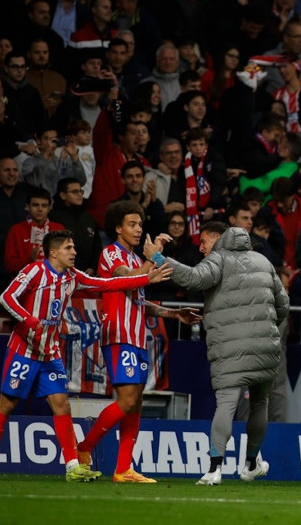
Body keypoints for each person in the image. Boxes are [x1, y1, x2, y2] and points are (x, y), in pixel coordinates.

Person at [0, 229, 170, 481]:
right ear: (53, 252)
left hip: (50, 352)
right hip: (24, 349)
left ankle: (73, 467)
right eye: (69, 248)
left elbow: (107, 283)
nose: (74, 252)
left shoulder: (72, 277)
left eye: (74, 247)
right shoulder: (35, 271)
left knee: (62, 405)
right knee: (7, 404)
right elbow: (7, 298)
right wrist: (28, 319)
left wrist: (146, 279)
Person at [149, 222, 289, 486]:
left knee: (226, 404)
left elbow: (192, 278)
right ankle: (250, 465)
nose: (200, 248)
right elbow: (284, 305)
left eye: (203, 241)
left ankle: (214, 470)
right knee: (261, 404)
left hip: (229, 349)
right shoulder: (264, 262)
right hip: (267, 347)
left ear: (217, 238)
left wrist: (157, 258)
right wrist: (266, 325)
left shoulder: (219, 259)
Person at [76, 201, 201, 483]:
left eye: (140, 224)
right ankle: (83, 448)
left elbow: (142, 301)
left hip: (137, 338)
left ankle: (123, 469)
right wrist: (152, 257)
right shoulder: (111, 254)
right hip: (118, 335)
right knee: (127, 400)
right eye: (132, 224)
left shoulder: (135, 260)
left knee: (136, 403)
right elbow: (126, 278)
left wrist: (174, 313)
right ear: (118, 228)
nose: (137, 229)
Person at [4, 188, 65, 276]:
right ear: (27, 207)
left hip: (53, 282)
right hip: (24, 283)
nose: (40, 209)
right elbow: (9, 266)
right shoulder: (16, 230)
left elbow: (66, 260)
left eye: (44, 206)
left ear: (49, 208)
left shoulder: (58, 229)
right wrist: (29, 259)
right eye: (35, 205)